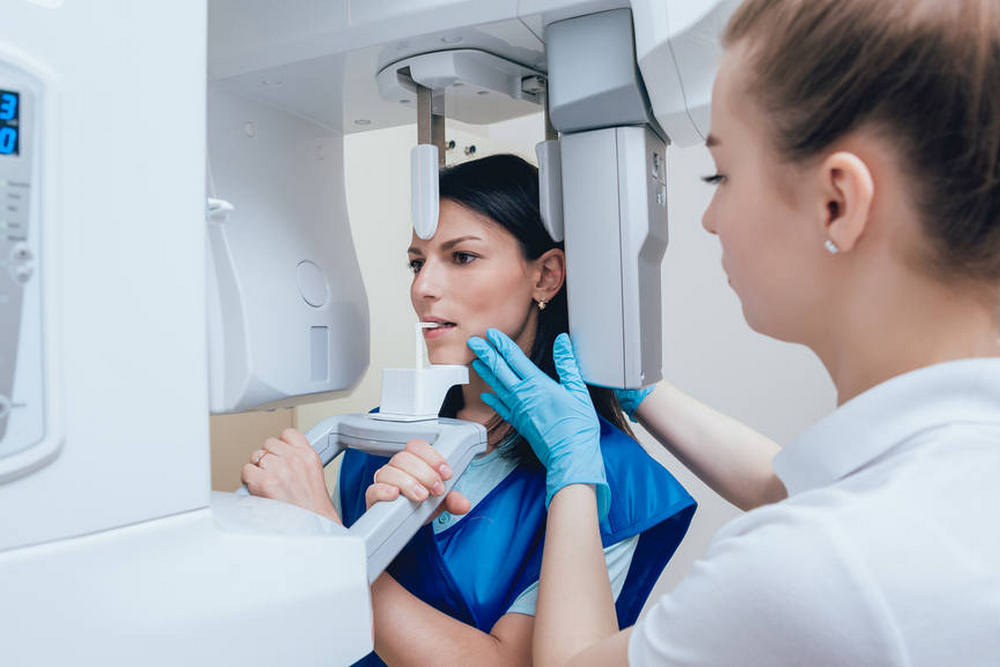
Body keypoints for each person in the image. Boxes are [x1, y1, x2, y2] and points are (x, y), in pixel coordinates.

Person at [468, 0, 1000, 664]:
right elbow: (794, 481)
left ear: (837, 203)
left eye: (721, 174)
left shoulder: (813, 567)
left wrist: (574, 471)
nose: (709, 219)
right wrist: (643, 390)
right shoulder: (954, 473)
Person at [240, 154, 697, 666]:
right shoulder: (375, 435)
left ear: (545, 276)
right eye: (418, 262)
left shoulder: (611, 477)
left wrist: (327, 542)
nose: (422, 288)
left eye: (461, 257)